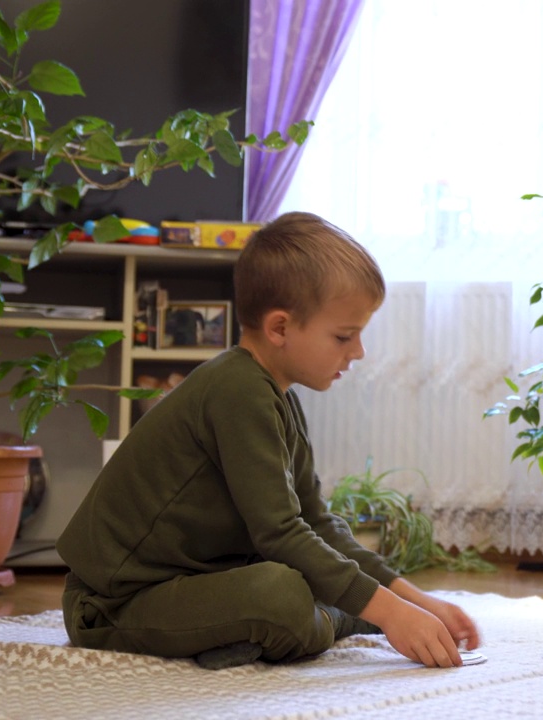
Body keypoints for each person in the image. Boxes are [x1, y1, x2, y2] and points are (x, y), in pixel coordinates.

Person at [58, 212, 479, 670]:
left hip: (197, 581)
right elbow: (279, 533)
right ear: (280, 328)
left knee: (294, 583)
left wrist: (411, 600)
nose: (358, 352)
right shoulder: (236, 389)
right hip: (112, 604)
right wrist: (390, 613)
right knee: (280, 596)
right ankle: (337, 619)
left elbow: (317, 521)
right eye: (344, 335)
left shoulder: (279, 398)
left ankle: (317, 621)